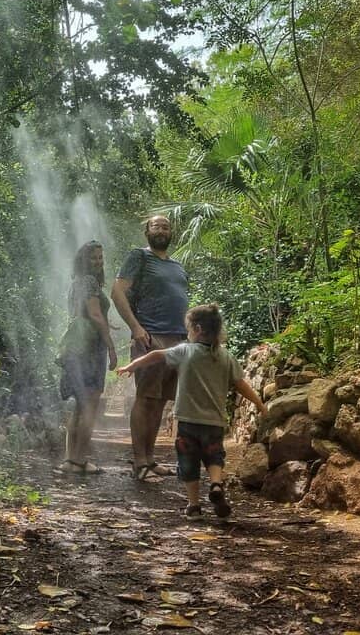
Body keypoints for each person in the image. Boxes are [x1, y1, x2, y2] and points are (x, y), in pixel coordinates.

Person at [117, 304, 266, 520]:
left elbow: (156, 355)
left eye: (188, 329)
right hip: (214, 422)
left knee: (189, 463)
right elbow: (241, 384)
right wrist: (260, 404)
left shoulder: (185, 351)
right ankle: (216, 483)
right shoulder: (226, 357)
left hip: (188, 422)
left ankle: (194, 506)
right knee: (214, 456)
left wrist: (132, 365)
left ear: (196, 329)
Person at [111, 215, 189, 483]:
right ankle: (139, 461)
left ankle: (151, 459)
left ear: (171, 232)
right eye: (156, 226)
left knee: (160, 401)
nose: (161, 230)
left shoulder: (178, 266)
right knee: (145, 398)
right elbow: (117, 292)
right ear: (147, 231)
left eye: (165, 226)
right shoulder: (139, 257)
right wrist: (135, 328)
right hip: (150, 336)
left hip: (178, 339)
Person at [57, 241, 117, 475]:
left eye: (101, 258)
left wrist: (105, 321)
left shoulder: (76, 283)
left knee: (80, 406)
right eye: (93, 258)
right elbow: (94, 314)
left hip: (74, 346)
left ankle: (70, 459)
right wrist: (111, 347)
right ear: (83, 260)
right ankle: (80, 460)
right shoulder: (90, 282)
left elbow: (86, 314)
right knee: (90, 404)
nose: (98, 262)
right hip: (90, 348)